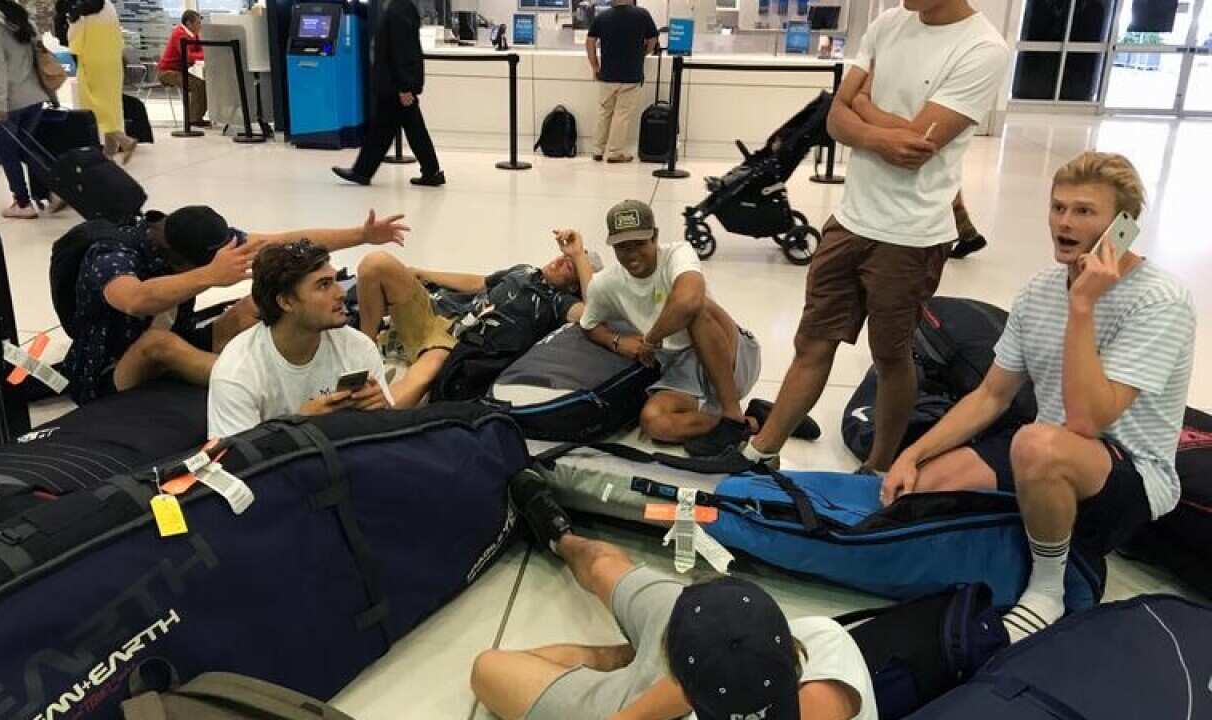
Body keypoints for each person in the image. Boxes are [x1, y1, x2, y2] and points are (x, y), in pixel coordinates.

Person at [881, 152, 1196, 642]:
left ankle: (1047, 590)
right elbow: (990, 394)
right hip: (1045, 451)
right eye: (1058, 207)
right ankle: (1030, 536)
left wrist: (1083, 306)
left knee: (1036, 443)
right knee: (924, 486)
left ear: (1123, 226)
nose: (1064, 223)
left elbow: (1087, 421)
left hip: (1126, 472)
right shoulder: (1038, 291)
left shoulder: (1161, 301)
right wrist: (912, 453)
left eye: (1084, 212)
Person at [736, 0, 1008, 471]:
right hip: (850, 219)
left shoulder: (983, 48)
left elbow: (921, 143)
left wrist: (860, 108)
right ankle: (760, 454)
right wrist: (877, 127)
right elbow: (833, 119)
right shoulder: (889, 23)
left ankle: (879, 466)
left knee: (890, 355)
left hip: (912, 234)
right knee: (812, 342)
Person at [472, 469, 877, 720]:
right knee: (603, 567)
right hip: (693, 673)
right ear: (790, 647)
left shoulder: (810, 645)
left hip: (678, 680)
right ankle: (561, 538)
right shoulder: (825, 642)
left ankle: (619, 654)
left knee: (490, 668)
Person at [66, 205, 408, 406]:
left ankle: (299, 367)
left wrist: (362, 235)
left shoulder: (193, 236)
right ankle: (256, 384)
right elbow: (133, 299)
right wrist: (210, 275)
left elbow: (282, 244)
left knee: (253, 307)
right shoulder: (112, 254)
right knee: (159, 344)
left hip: (182, 337)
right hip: (109, 372)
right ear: (178, 259)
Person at [580, 200, 760, 453]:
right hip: (679, 367)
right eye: (622, 247)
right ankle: (750, 423)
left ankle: (731, 413)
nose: (632, 254)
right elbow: (588, 323)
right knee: (654, 422)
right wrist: (617, 342)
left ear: (655, 237)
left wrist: (651, 340)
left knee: (697, 308)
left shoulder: (679, 253)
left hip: (732, 354)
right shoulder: (604, 283)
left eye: (640, 244)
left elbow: (688, 302)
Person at [354, 230, 596, 407]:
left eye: (570, 266)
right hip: (436, 311)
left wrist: (578, 256)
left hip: (451, 340)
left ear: (575, 285)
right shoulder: (524, 270)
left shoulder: (558, 302)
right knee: (375, 263)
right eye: (563, 256)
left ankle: (371, 421)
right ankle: (364, 347)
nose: (561, 260)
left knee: (427, 370)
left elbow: (591, 313)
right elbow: (478, 282)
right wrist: (422, 273)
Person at [208, 241, 393, 438]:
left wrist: (382, 410)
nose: (341, 293)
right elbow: (236, 462)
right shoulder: (236, 372)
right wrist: (297, 425)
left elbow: (385, 439)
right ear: (286, 301)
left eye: (335, 280)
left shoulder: (358, 346)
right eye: (324, 285)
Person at [332, 0, 442, 187]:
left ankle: (362, 171)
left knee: (385, 129)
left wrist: (405, 86)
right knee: (405, 127)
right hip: (394, 83)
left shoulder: (400, 9)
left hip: (395, 84)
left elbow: (403, 50)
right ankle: (431, 171)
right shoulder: (400, 8)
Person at [0, 0, 60, 219]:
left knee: (9, 152)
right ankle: (56, 189)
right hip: (33, 96)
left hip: (10, 100)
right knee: (26, 148)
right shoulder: (19, 14)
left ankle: (22, 203)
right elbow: (38, 54)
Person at [585, 0, 658, 163]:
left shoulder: (603, 17)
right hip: (631, 75)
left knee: (604, 111)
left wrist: (595, 65)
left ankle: (597, 150)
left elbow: (590, 41)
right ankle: (615, 152)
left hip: (607, 75)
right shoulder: (642, 14)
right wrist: (643, 53)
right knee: (622, 114)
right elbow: (653, 39)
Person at [69, 0, 137, 162]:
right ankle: (109, 154)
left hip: (92, 64)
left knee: (93, 107)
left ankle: (124, 140)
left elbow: (74, 43)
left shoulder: (81, 13)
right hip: (113, 63)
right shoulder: (108, 6)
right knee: (112, 107)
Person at [158, 10, 207, 127]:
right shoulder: (179, 34)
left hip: (178, 71)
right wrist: (204, 55)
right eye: (198, 23)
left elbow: (201, 50)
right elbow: (188, 57)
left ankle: (195, 118)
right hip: (167, 72)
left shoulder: (193, 35)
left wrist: (202, 54)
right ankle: (194, 119)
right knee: (198, 85)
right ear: (189, 23)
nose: (200, 26)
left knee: (202, 84)